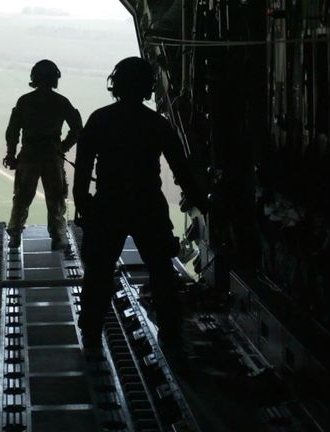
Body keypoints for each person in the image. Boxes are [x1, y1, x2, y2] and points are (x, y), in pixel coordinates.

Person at [73, 56, 207, 344]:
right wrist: (202, 203)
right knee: (161, 273)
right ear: (148, 88)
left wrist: (85, 207)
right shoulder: (156, 123)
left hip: (109, 204)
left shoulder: (100, 119)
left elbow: (82, 169)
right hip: (148, 206)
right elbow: (181, 169)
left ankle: (91, 332)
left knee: (98, 272)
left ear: (116, 85)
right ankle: (170, 333)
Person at [3, 59, 82, 250]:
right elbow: (77, 128)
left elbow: (13, 131)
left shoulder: (24, 101)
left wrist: (11, 154)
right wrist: (63, 147)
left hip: (29, 155)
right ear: (55, 78)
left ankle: (15, 235)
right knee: (55, 199)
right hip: (52, 156)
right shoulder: (61, 102)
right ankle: (58, 237)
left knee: (22, 198)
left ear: (34, 78)